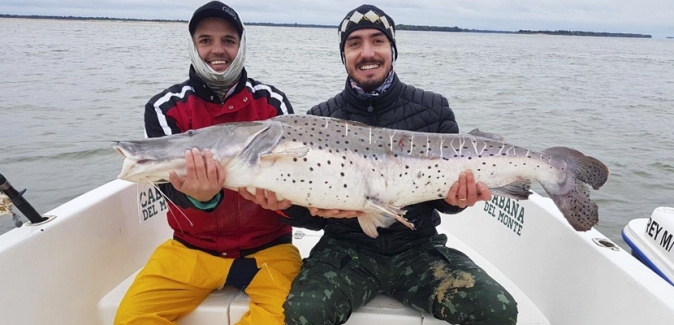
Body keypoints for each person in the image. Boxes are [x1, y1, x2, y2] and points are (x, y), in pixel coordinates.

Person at [280, 4, 518, 325]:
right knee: (303, 312)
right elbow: (314, 217)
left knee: (497, 309)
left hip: (419, 249)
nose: (367, 52)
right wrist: (285, 205)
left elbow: (445, 203)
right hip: (345, 252)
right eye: (354, 43)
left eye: (377, 40)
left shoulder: (433, 109)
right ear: (344, 54)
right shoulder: (320, 119)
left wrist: (457, 201)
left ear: (392, 49)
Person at [114, 2, 301, 324]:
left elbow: (292, 177)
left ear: (241, 46)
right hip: (191, 248)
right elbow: (164, 184)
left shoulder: (272, 102)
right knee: (131, 318)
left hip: (269, 248)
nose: (218, 50)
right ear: (192, 45)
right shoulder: (165, 106)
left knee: (288, 317)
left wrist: (283, 200)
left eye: (228, 40)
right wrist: (201, 198)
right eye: (205, 40)